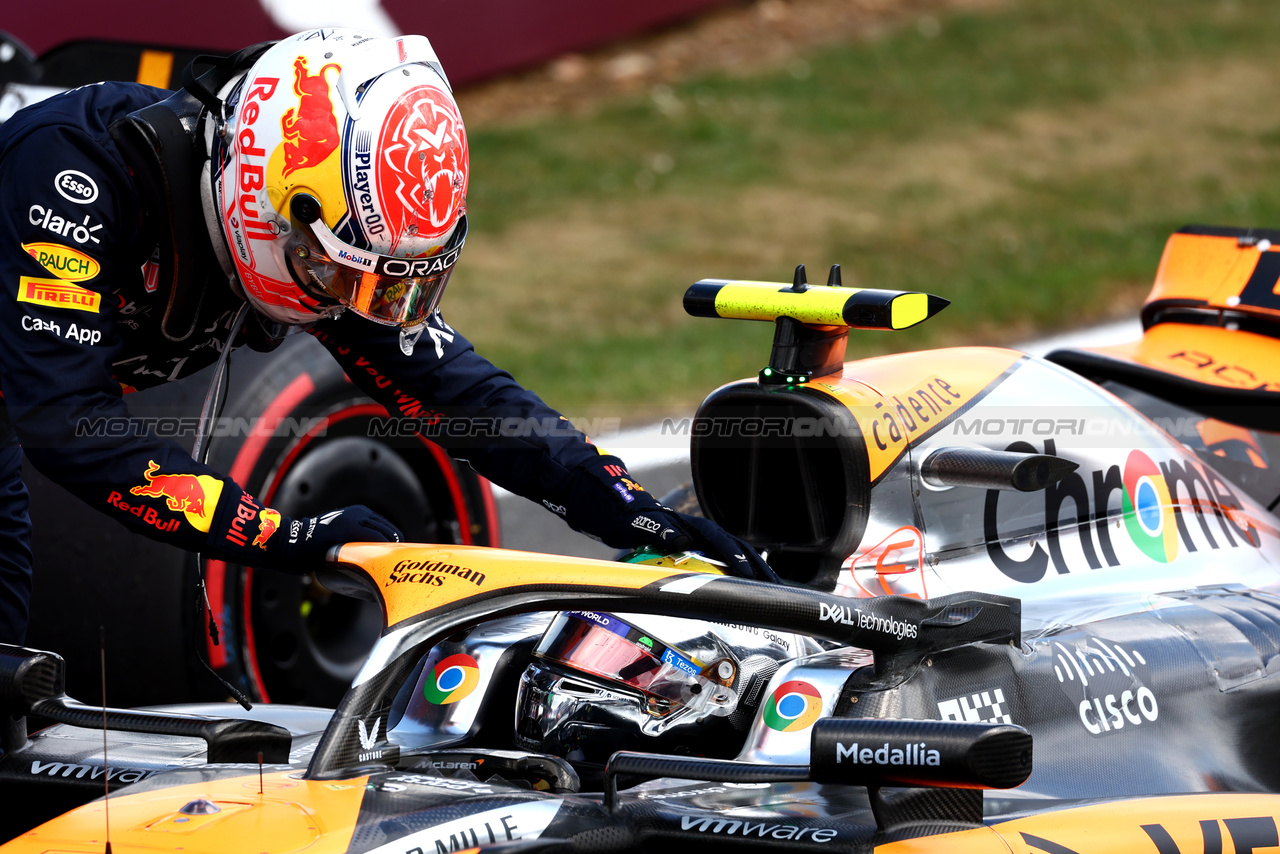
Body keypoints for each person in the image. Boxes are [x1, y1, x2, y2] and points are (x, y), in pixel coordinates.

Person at [0, 28, 779, 646]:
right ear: (266, 198)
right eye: (343, 271)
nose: (359, 304)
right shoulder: (72, 181)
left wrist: (624, 509)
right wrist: (282, 535)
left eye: (389, 281)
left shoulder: (315, 231)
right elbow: (68, 426)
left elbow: (458, 393)